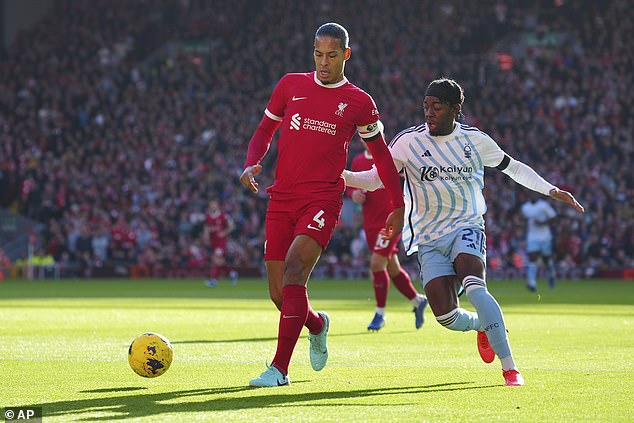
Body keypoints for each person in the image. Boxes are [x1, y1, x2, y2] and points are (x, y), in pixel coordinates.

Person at [343, 78, 584, 386]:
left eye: (437, 107)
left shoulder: (475, 141)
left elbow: (514, 167)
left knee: (475, 285)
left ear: (456, 109)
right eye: (426, 106)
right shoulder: (408, 142)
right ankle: (481, 326)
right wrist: (341, 175)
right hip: (428, 238)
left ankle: (510, 368)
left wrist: (551, 189)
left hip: (467, 225)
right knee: (445, 316)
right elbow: (376, 178)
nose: (429, 113)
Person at [240, 22, 405, 388]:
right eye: (318, 54)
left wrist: (397, 203)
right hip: (282, 197)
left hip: (323, 199)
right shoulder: (290, 85)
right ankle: (317, 323)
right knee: (278, 293)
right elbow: (265, 131)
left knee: (296, 271)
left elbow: (381, 156)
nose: (323, 62)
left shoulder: (360, 102)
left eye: (332, 55)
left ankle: (279, 370)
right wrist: (252, 161)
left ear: (346, 54)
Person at [349, 142, 428, 331]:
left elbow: (409, 178)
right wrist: (354, 195)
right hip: (370, 222)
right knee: (392, 268)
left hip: (390, 220)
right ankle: (418, 301)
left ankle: (380, 314)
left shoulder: (391, 158)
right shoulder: (358, 161)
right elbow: (350, 187)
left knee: (376, 264)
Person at [521, 196, 557, 291]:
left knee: (546, 259)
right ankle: (531, 283)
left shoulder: (543, 205)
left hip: (545, 237)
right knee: (533, 258)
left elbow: (553, 217)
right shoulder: (525, 207)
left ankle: (551, 274)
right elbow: (523, 220)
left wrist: (542, 223)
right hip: (532, 237)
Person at [203, 199, 237, 287]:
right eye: (211, 205)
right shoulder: (209, 217)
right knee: (220, 261)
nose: (213, 206)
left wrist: (224, 233)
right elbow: (207, 228)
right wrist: (206, 236)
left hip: (221, 242)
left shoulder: (223, 216)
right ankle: (232, 274)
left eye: (214, 204)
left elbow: (232, 226)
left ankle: (214, 280)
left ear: (217, 205)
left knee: (216, 259)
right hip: (213, 241)